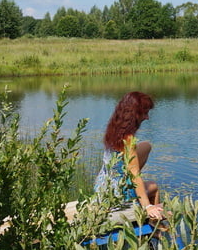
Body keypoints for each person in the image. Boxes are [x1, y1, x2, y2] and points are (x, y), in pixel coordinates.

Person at [66, 91, 164, 225]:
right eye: (145, 112)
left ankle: (128, 181)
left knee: (146, 146)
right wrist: (147, 206)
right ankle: (155, 223)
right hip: (115, 195)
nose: (147, 117)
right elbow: (135, 174)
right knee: (154, 186)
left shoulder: (114, 129)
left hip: (102, 187)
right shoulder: (128, 140)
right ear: (135, 114)